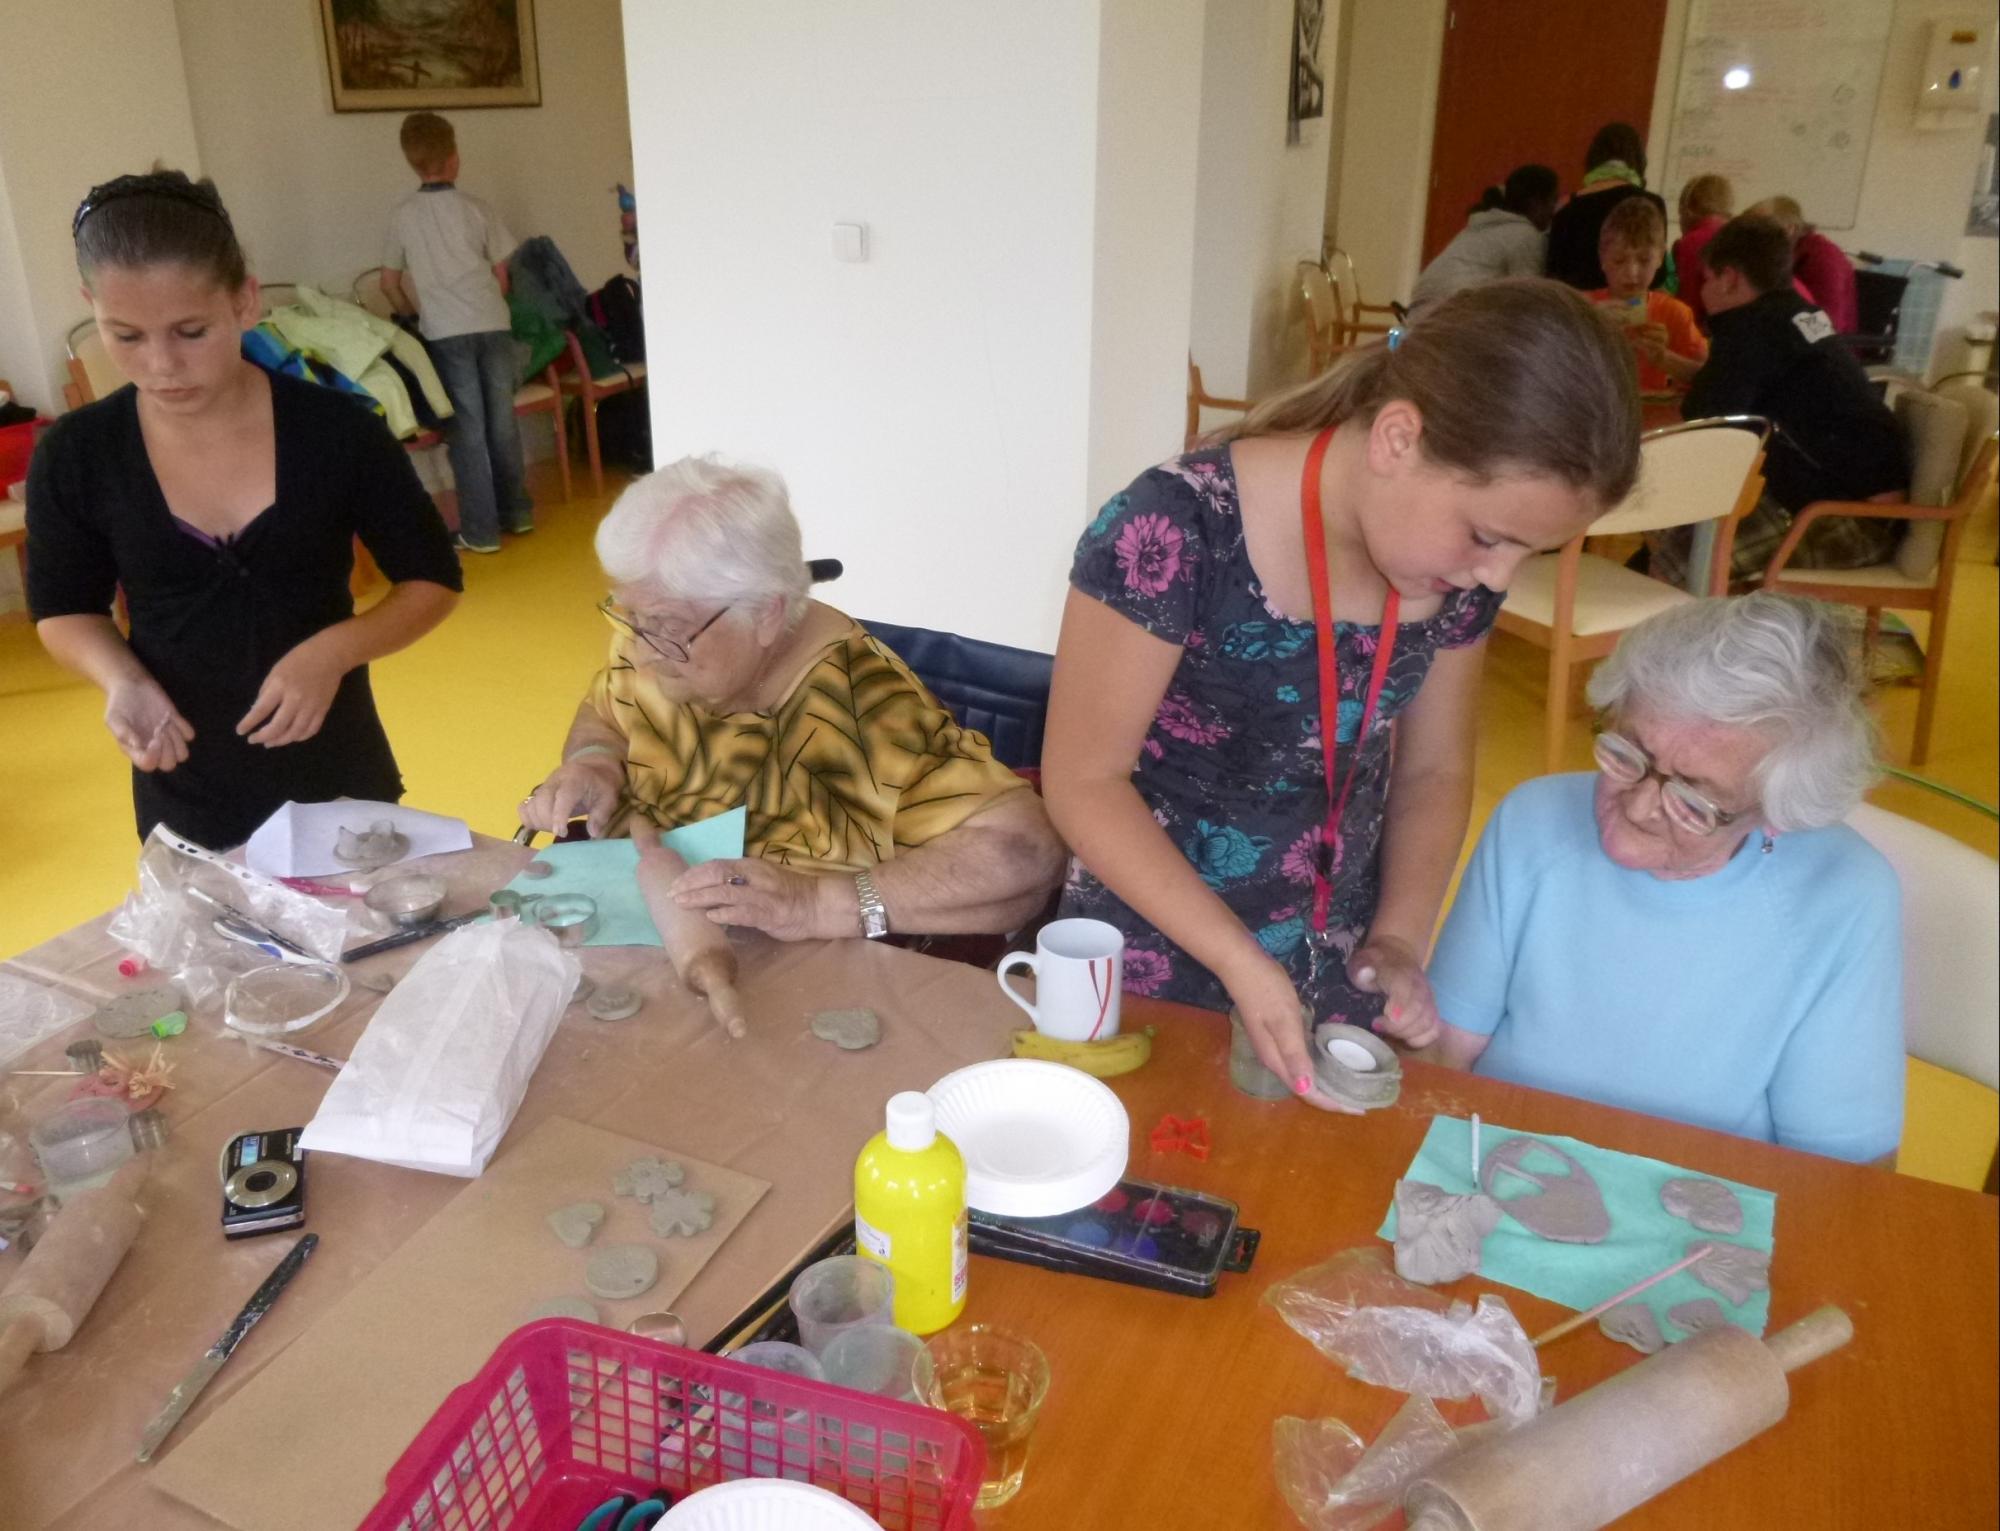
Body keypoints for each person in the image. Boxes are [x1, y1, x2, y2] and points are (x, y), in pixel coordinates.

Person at [1042, 280, 1640, 1110]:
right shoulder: (1176, 527)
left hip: (1332, 965)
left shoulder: (1453, 577)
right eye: (1487, 536)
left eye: (1526, 553)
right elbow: (1083, 781)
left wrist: (1398, 936)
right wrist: (1241, 960)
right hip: (1154, 959)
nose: (1496, 575)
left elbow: (1434, 771)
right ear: (1398, 438)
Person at [26, 171, 461, 849]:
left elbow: (432, 580)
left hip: (337, 773)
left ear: (245, 301)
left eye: (190, 331)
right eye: (126, 335)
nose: (162, 364)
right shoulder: (78, 453)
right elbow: (64, 610)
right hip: (185, 788)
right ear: (93, 309)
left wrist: (333, 652)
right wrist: (121, 679)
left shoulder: (337, 429)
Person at [1428, 594, 1901, 1165]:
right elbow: (1442, 1057)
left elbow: (1845, 1170)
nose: (1638, 807)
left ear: (1775, 813)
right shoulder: (1533, 821)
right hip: (1503, 1165)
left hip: (1707, 1195)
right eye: (1628, 755)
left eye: (1693, 801)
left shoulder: (1844, 897)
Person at [518, 456, 1066, 940]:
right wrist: (594, 761)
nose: (639, 651)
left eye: (665, 626)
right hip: (637, 918)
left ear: (766, 612)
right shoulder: (661, 636)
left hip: (789, 971)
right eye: (630, 617)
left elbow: (1024, 853)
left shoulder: (858, 709)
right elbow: (606, 712)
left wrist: (818, 904)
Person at [1651, 214, 1906, 588]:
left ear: (1730, 279)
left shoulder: (1751, 327)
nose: (1703, 293)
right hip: (1859, 505)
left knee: (1676, 566)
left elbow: (1706, 420)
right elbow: (1735, 389)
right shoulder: (1796, 315)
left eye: (1706, 280)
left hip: (1846, 519)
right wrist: (1669, 361)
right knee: (1674, 527)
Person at [381, 112, 531, 555]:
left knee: (468, 431)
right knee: (502, 423)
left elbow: (389, 283)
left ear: (411, 161)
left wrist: (413, 317)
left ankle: (481, 531)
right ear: (455, 158)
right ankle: (517, 513)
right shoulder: (478, 208)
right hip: (493, 324)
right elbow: (502, 277)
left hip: (445, 333)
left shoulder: (403, 216)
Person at [1589, 197, 1706, 394]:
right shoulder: (1581, 307)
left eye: (1644, 260)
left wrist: (1664, 358)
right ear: (1603, 258)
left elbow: (1709, 378)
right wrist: (1589, 326)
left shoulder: (1675, 313)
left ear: (1660, 258)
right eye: (1619, 260)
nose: (1632, 273)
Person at [1408, 165, 1559, 312]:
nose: (1554, 210)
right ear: (1536, 203)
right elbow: (1528, 297)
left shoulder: (1479, 228)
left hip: (1419, 308)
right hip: (1457, 307)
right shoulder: (1526, 235)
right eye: (1554, 200)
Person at [1545, 123, 1671, 291]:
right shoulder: (1652, 203)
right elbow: (1659, 275)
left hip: (1579, 304)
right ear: (1639, 160)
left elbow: (1554, 275)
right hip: (1634, 304)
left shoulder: (1566, 208)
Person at [1747, 195, 1859, 335]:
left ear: (1790, 229)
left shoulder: (1823, 258)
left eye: (1761, 227)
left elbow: (1827, 325)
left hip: (1820, 342)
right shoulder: (1781, 254)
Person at [1672, 173, 1732, 327]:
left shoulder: (1692, 241)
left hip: (1705, 330)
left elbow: (1688, 304)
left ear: (1687, 210)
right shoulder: (1739, 234)